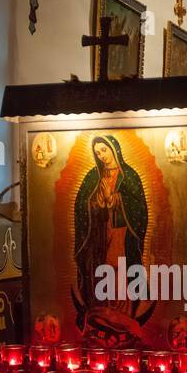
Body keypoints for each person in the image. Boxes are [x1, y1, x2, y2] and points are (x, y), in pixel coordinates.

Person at [73, 134, 149, 325]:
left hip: (121, 236)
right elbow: (81, 205)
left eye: (104, 150)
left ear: (114, 149)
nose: (102, 156)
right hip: (98, 236)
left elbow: (139, 209)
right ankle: (100, 313)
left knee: (118, 270)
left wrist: (115, 200)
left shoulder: (129, 176)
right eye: (98, 152)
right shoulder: (93, 176)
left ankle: (123, 315)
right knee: (99, 271)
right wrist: (97, 202)